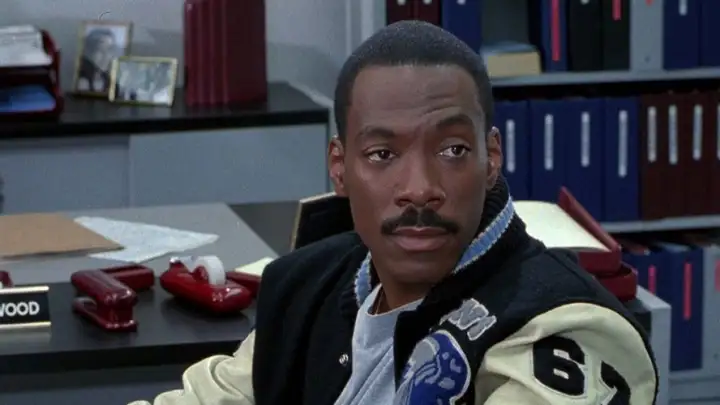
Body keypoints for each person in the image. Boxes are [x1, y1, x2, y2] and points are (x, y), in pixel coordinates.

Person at [130, 21, 657, 405]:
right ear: (339, 168)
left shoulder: (563, 327)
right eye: (382, 154)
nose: (420, 190)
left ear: (492, 158)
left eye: (452, 150)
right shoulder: (305, 286)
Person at [76, 28, 119, 93]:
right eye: (100, 50)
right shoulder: (80, 81)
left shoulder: (112, 83)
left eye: (109, 50)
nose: (106, 55)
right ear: (89, 52)